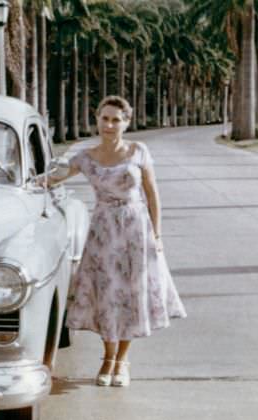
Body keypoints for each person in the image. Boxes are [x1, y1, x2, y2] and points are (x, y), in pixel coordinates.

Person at [46, 95, 186, 387]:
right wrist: (27, 181)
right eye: (105, 118)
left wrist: (157, 235)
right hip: (104, 232)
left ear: (126, 123)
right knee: (108, 294)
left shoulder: (139, 151)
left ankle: (121, 362)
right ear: (97, 119)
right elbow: (53, 178)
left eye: (116, 120)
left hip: (136, 229)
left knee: (131, 295)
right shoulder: (85, 157)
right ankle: (107, 358)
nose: (109, 125)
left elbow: (152, 194)